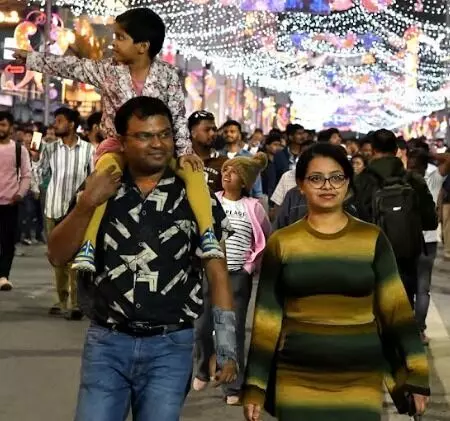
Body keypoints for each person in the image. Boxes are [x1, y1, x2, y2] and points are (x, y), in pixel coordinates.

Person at [47, 97, 238, 421]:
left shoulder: (194, 194)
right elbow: (57, 254)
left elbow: (218, 273)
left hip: (170, 347)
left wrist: (226, 348)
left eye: (164, 135)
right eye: (145, 136)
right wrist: (86, 204)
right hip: (107, 344)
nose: (157, 144)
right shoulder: (101, 185)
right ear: (122, 141)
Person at [15, 7, 218, 275]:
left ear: (143, 46)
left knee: (194, 173)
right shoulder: (108, 70)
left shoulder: (168, 75)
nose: (114, 43)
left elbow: (178, 116)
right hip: (117, 147)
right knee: (101, 180)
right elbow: (71, 67)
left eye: (121, 37)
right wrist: (32, 59)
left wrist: (185, 152)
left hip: (157, 149)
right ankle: (88, 245)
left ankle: (207, 235)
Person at [242, 143, 430, 421]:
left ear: (348, 183)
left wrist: (417, 375)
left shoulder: (372, 239)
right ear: (300, 185)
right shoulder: (282, 242)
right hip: (297, 376)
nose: (327, 186)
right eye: (316, 178)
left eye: (337, 177)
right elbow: (266, 319)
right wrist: (255, 386)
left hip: (360, 377)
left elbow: (397, 311)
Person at [193, 153, 271, 404]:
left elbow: (264, 239)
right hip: (209, 272)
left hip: (238, 275)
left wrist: (249, 267)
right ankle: (203, 368)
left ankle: (233, 386)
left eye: (234, 172)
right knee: (202, 326)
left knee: (232, 331)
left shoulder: (254, 207)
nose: (227, 174)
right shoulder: (211, 200)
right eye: (225, 170)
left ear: (245, 181)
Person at [354, 129, 437, 307]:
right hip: (406, 260)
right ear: (396, 150)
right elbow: (431, 221)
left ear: (373, 150)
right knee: (403, 310)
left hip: (369, 258)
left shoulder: (360, 182)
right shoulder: (413, 180)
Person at [32, 107, 94, 319]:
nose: (55, 124)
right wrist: (35, 159)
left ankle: (76, 304)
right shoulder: (50, 149)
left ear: (72, 124)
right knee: (58, 258)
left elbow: (93, 177)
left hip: (77, 212)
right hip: (54, 209)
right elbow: (39, 173)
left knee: (76, 258)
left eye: (59, 120)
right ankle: (61, 299)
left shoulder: (88, 150)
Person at [407, 146, 450, 344]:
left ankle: (406, 329)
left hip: (406, 240)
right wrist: (429, 154)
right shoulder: (433, 177)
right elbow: (448, 159)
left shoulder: (403, 180)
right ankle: (419, 331)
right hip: (428, 241)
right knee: (423, 289)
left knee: (406, 286)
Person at [0, 111, 31, 291]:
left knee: (8, 242)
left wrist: (19, 194)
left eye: (3, 125)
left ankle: (3, 276)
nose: (0, 128)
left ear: (11, 128)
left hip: (10, 204)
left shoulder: (19, 150)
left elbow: (26, 175)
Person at [220, 120, 263, 198]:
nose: (228, 134)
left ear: (239, 135)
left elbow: (257, 188)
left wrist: (257, 201)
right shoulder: (217, 155)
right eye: (226, 132)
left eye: (232, 131)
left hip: (245, 202)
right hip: (220, 201)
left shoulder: (249, 157)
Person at [188, 110, 227, 193]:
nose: (213, 133)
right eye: (207, 130)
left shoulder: (224, 162)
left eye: (214, 129)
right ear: (193, 133)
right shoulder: (181, 160)